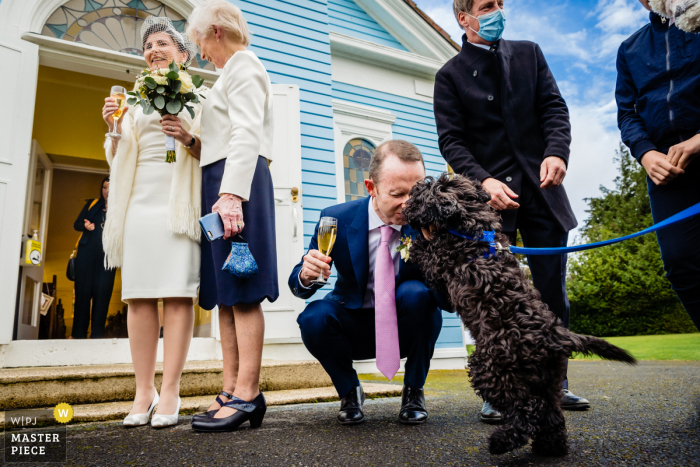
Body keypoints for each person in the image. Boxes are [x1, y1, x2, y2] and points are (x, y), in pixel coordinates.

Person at [434, 0, 589, 423]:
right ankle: (499, 389)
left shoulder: (529, 52)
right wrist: (483, 182)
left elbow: (554, 109)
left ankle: (556, 384)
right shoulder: (448, 76)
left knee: (551, 293)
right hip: (487, 208)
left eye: (500, 3)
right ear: (464, 18)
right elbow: (453, 142)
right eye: (487, 5)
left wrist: (557, 152)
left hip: (543, 192)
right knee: (491, 299)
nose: (497, 10)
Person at [290, 140, 450, 426]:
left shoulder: (429, 224)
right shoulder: (335, 219)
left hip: (406, 325)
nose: (409, 203)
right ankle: (350, 392)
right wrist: (306, 273)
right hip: (354, 324)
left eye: (417, 192)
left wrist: (438, 249)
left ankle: (414, 391)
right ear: (371, 187)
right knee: (314, 317)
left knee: (418, 294)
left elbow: (447, 304)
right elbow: (300, 286)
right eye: (398, 194)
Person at [101, 17, 204, 429]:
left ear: (183, 55)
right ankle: (143, 390)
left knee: (177, 296)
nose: (153, 49)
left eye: (163, 43)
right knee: (139, 298)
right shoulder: (134, 99)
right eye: (147, 45)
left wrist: (186, 138)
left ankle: (172, 390)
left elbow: (213, 156)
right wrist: (112, 127)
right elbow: (117, 158)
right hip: (139, 208)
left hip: (178, 207)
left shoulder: (201, 99)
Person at [186, 0, 278, 432]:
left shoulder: (243, 65)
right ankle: (230, 388)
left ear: (217, 32)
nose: (201, 52)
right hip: (224, 183)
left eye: (200, 42)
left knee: (243, 288)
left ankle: (248, 393)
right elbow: (224, 137)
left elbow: (246, 132)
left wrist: (230, 195)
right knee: (226, 291)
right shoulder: (230, 72)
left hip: (234, 187)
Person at [616, 0, 700, 331]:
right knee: (681, 264)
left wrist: (697, 141)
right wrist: (646, 153)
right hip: (667, 171)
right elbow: (627, 113)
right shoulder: (630, 49)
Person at [71, 176, 116, 339]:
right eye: (105, 188)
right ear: (101, 189)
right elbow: (76, 224)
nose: (107, 192)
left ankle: (97, 335)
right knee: (83, 294)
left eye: (111, 188)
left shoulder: (119, 208)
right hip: (86, 256)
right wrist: (85, 226)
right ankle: (78, 334)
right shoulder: (91, 204)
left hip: (108, 260)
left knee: (102, 295)